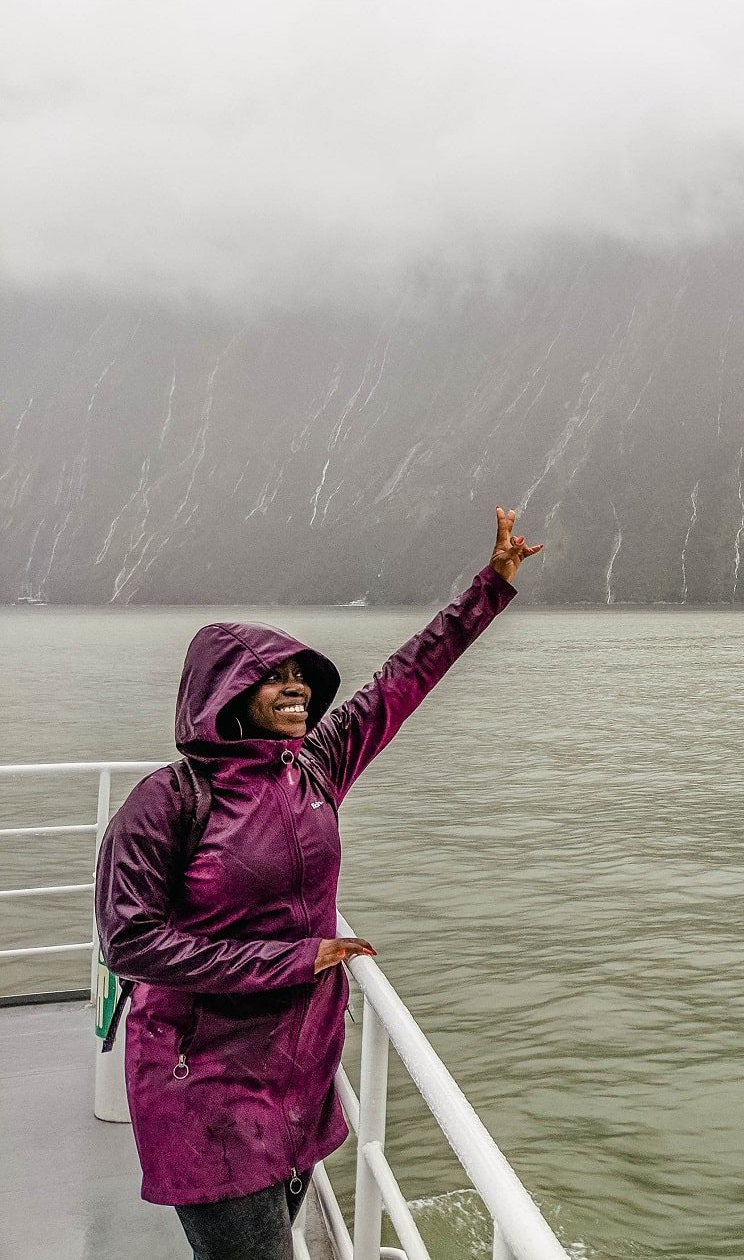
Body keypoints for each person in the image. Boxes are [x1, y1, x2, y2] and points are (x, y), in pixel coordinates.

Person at [96, 509, 542, 1260]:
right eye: (274, 677)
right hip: (200, 1082)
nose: (297, 686)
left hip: (298, 1068)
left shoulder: (317, 768)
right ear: (226, 692)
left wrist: (489, 587)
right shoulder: (168, 801)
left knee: (285, 1236)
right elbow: (130, 942)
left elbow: (405, 678)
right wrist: (292, 960)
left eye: (301, 675)